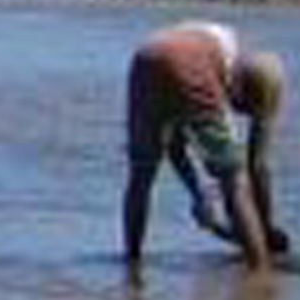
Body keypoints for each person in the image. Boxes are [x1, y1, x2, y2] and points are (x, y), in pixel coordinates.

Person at [121, 18, 284, 271]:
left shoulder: (224, 42)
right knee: (234, 182)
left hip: (145, 59)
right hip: (188, 62)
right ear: (242, 91)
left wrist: (198, 194)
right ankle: (261, 272)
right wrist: (266, 230)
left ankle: (131, 265)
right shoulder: (226, 71)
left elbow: (175, 145)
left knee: (141, 175)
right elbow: (258, 166)